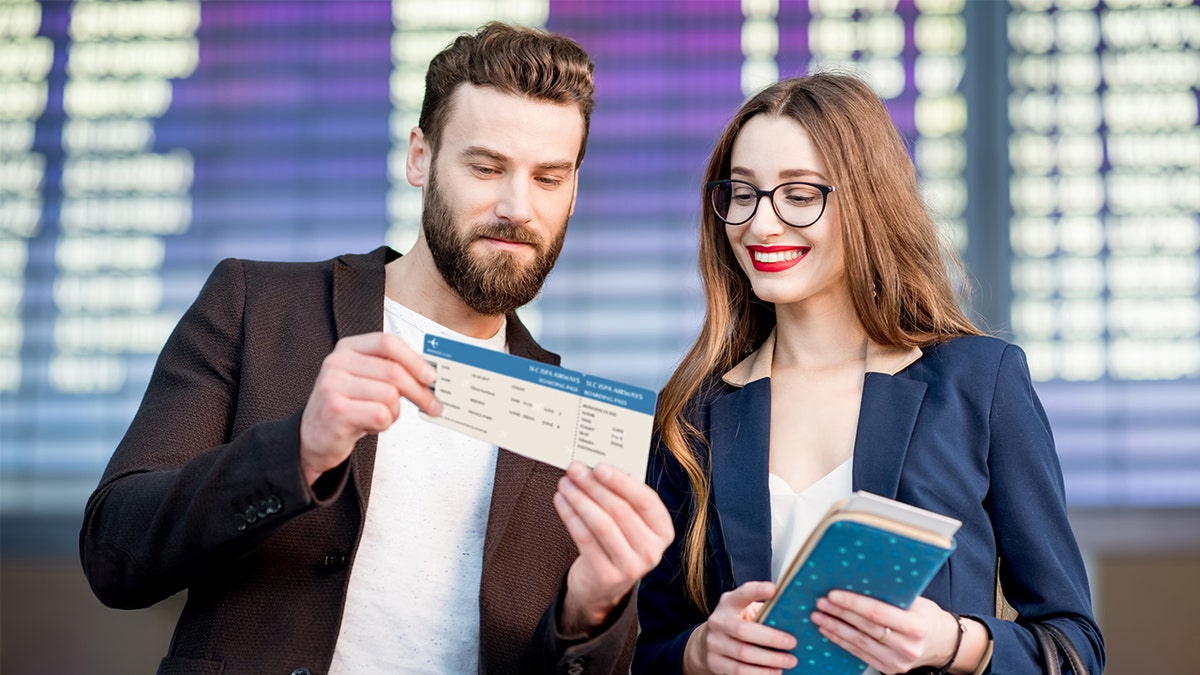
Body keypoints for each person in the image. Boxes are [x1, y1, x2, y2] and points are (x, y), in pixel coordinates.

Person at [80, 22, 672, 675]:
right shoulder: (255, 306)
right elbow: (114, 554)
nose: (517, 207)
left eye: (549, 178)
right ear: (420, 157)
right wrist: (298, 451)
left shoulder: (579, 427)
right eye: (486, 167)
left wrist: (589, 613)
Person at [634, 73, 1104, 675]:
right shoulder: (691, 415)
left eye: (799, 195)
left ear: (866, 199)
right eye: (743, 193)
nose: (760, 225)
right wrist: (698, 652)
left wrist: (953, 642)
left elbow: (1075, 647)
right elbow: (649, 651)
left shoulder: (978, 383)